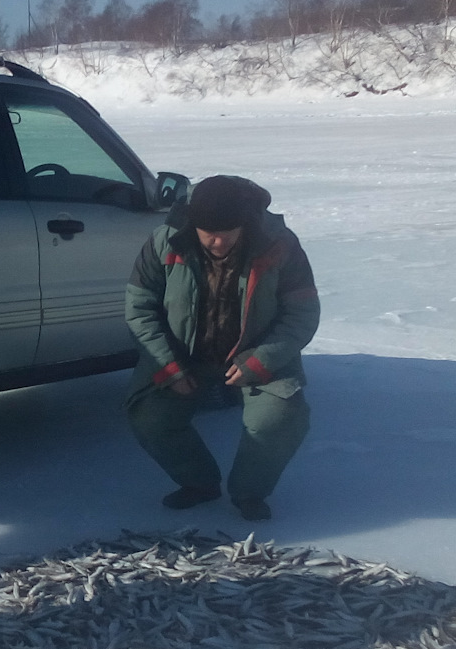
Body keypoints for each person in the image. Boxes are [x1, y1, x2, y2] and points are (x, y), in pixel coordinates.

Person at [124, 174, 319, 523]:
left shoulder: (279, 244)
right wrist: (169, 365)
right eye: (207, 233)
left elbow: (302, 314)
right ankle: (198, 483)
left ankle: (249, 492)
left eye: (225, 234)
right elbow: (139, 308)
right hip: (183, 355)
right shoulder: (165, 241)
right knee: (150, 417)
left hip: (258, 354)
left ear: (243, 224)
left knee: (278, 419)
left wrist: (261, 360)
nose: (216, 242)